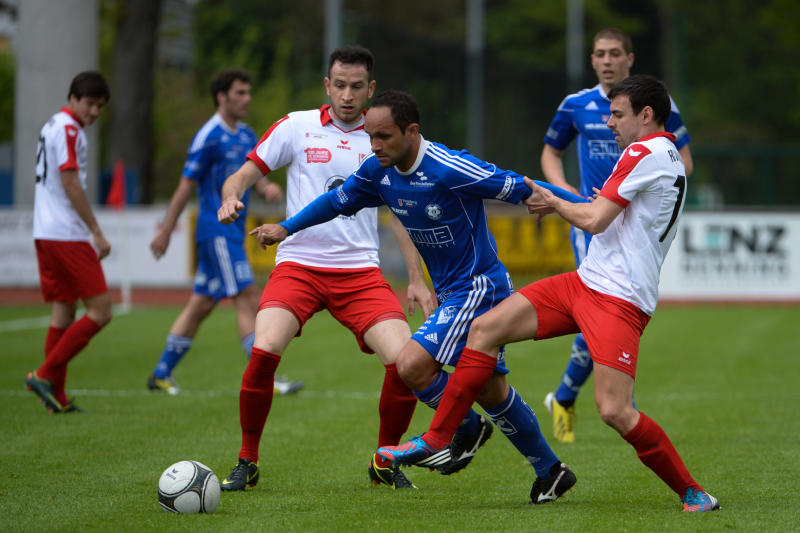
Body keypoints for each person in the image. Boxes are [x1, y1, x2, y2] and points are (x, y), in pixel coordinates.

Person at [381, 75, 720, 512]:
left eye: (617, 115)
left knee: (614, 410)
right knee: (484, 329)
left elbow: (594, 220)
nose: (610, 124)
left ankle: (693, 492)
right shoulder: (666, 154)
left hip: (618, 300)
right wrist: (561, 197)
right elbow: (610, 213)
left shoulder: (642, 152)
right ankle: (440, 437)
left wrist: (554, 203)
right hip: (584, 283)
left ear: (647, 115)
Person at [247, 89, 581, 504]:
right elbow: (336, 200)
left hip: (478, 288)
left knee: (410, 363)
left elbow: (522, 186)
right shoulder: (378, 171)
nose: (374, 145)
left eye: (384, 136)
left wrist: (592, 208)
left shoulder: (449, 168)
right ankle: (551, 472)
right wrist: (287, 227)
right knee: (492, 392)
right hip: (454, 291)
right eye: (371, 136)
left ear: (412, 131)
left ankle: (463, 430)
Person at [215, 47, 437, 492]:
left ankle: (385, 460)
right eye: (339, 85)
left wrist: (416, 279)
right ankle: (247, 460)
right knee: (264, 349)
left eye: (356, 87)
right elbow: (242, 174)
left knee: (405, 362)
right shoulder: (295, 127)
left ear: (371, 89)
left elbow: (402, 212)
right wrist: (230, 196)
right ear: (326, 86)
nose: (347, 95)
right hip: (299, 266)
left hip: (359, 274)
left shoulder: (383, 137)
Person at [540, 27, 694, 443]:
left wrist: (645, 187)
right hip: (594, 219)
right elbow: (551, 152)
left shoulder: (656, 108)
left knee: (597, 316)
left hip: (626, 219)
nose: (607, 61)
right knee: (598, 310)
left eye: (614, 53)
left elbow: (684, 162)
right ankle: (589, 401)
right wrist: (564, 192)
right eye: (600, 54)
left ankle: (566, 397)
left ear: (629, 58)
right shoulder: (575, 105)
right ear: (592, 60)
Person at [146, 68, 303, 396]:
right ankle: (266, 378)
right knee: (247, 296)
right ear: (221, 97)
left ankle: (160, 374)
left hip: (232, 233)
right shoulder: (208, 136)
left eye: (248, 92)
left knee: (201, 304)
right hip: (215, 231)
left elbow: (252, 175)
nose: (247, 99)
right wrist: (166, 229)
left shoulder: (246, 135)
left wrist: (266, 188)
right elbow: (185, 186)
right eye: (240, 93)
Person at [25, 71, 113, 414]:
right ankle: (43, 375)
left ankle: (56, 399)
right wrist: (96, 230)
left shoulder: (53, 125)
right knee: (101, 311)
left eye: (100, 106)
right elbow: (70, 181)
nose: (94, 112)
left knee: (64, 308)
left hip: (45, 230)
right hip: (66, 232)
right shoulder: (68, 128)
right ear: (73, 98)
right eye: (89, 103)